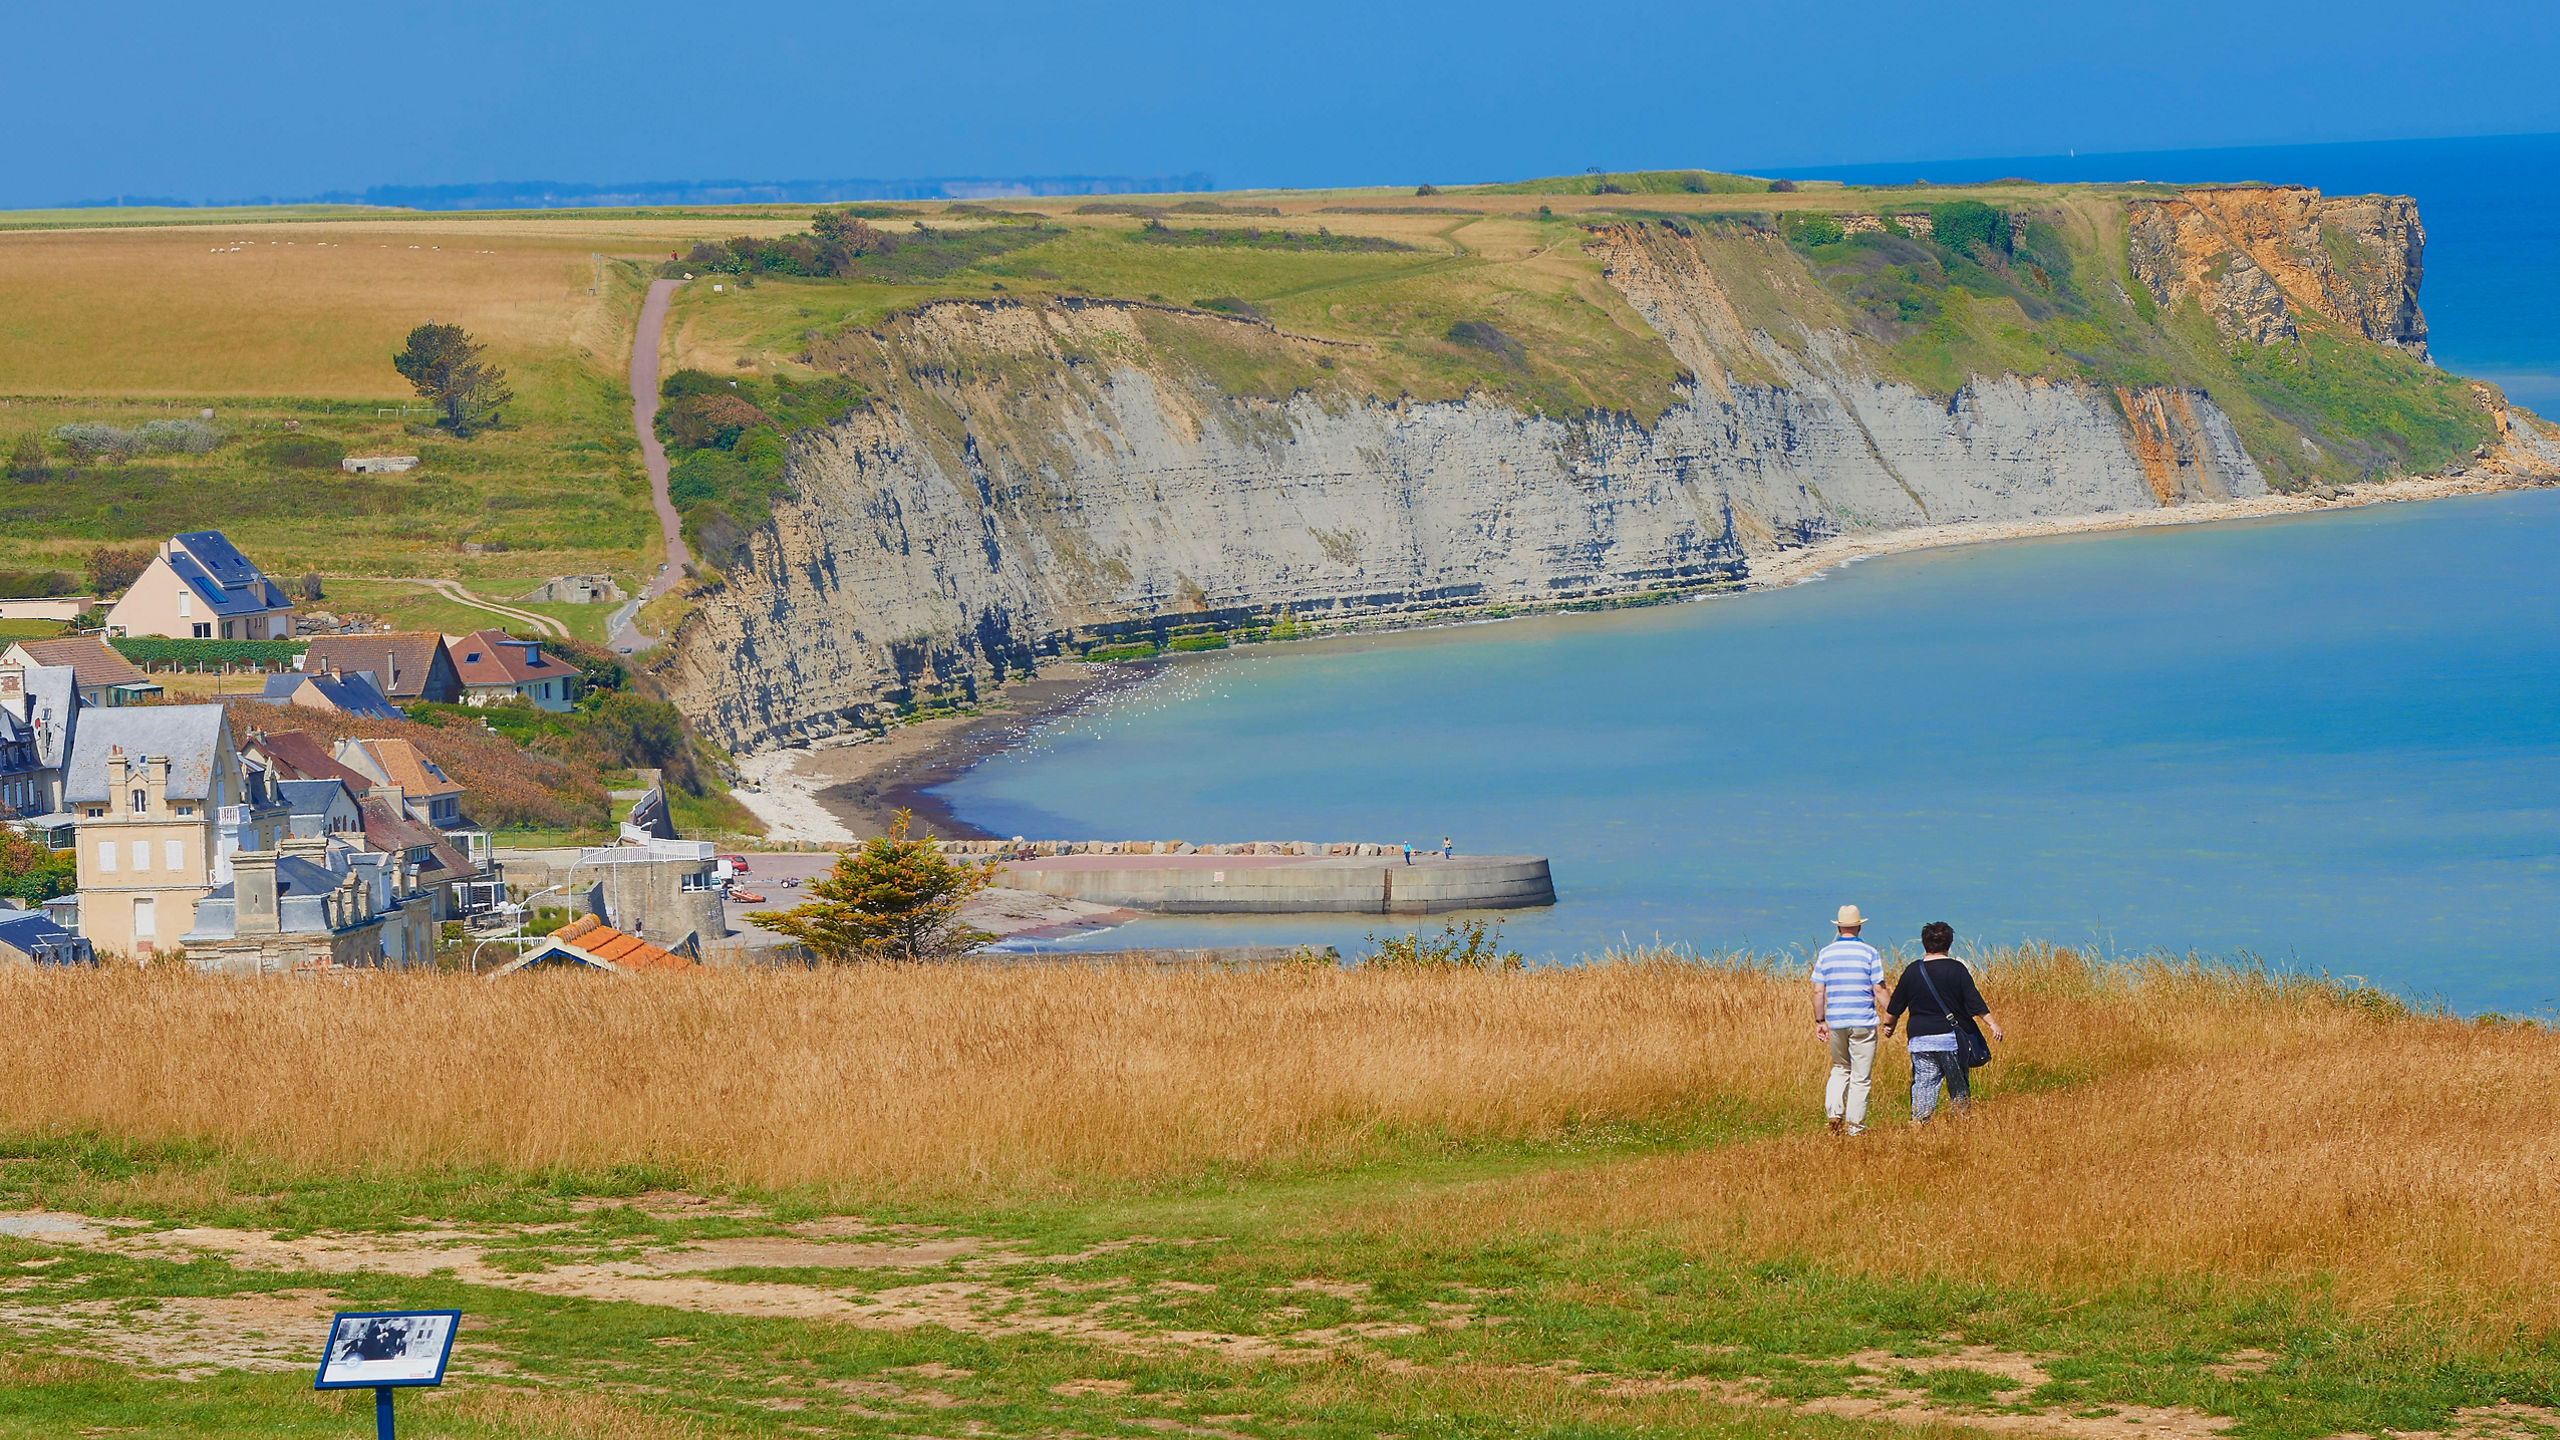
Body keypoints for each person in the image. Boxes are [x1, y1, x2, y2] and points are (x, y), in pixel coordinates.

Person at [1883, 921, 2005, 1124]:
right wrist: (1992, 1024)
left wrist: (1888, 1025)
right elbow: (1974, 1001)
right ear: (1949, 943)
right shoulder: (1956, 969)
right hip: (1951, 1040)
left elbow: (1896, 1005)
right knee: (1958, 1086)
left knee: (1923, 1083)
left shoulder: (1913, 970)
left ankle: (1919, 1124)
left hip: (1920, 1041)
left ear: (1924, 943)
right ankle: (1960, 1124)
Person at [1809, 904, 1889, 1136]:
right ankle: (1855, 1127)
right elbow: (1878, 989)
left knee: (1840, 1067)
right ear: (1859, 928)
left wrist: (1820, 1020)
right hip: (1863, 1020)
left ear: (1840, 927)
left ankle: (1834, 1112)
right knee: (1860, 1077)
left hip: (1836, 1021)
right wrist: (1891, 1015)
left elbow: (1818, 992)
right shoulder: (1870, 953)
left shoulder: (1826, 953)